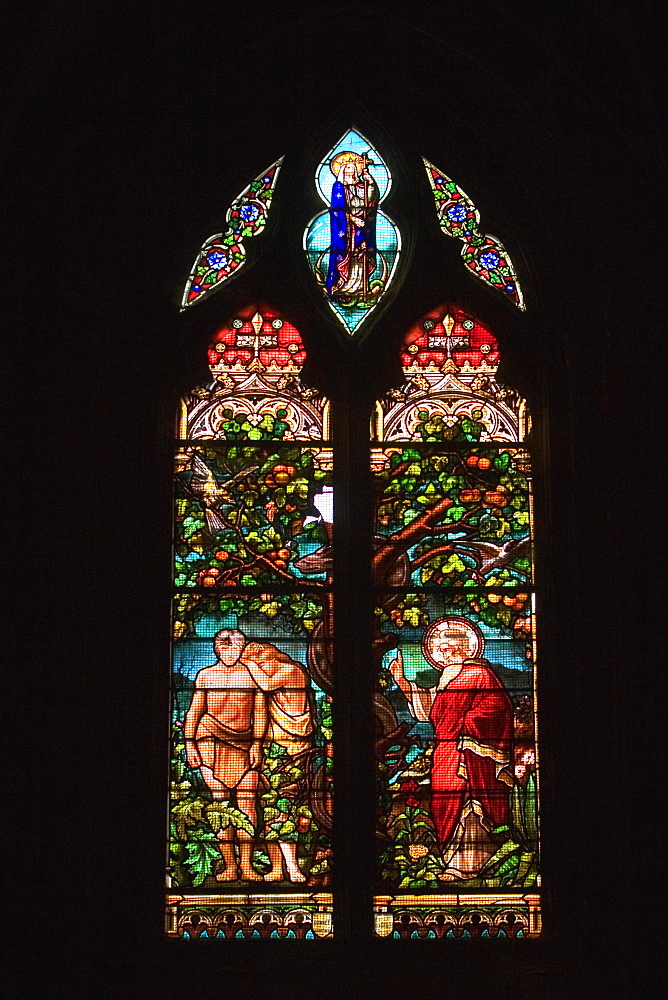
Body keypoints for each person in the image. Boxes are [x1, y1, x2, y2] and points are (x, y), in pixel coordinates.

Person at [388, 617, 514, 880]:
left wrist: (468, 726)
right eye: (440, 651)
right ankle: (451, 860)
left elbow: (498, 707)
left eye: (449, 650)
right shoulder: (448, 677)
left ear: (465, 649)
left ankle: (471, 864)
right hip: (445, 750)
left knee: (469, 800)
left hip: (470, 749)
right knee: (445, 799)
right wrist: (401, 680)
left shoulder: (478, 673)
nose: (443, 655)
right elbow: (428, 712)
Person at [184, 629, 267, 881]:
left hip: (243, 743)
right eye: (225, 647)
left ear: (242, 648)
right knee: (220, 804)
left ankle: (248, 865)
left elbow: (260, 712)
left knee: (247, 806)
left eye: (235, 647)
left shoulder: (253, 675)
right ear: (217, 649)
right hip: (210, 739)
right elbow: (194, 712)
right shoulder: (206, 676)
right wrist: (189, 744)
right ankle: (230, 865)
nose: (230, 652)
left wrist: (257, 745)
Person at [243, 639, 315, 882]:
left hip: (294, 752)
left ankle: (293, 867)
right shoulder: (271, 679)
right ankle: (278, 867)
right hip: (275, 753)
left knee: (286, 810)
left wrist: (247, 662)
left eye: (262, 661)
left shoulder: (291, 671)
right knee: (271, 809)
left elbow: (265, 683)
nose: (261, 667)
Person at [326, 151, 379, 303]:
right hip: (347, 229)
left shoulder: (361, 186)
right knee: (349, 255)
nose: (351, 171)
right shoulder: (338, 187)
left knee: (361, 254)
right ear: (342, 171)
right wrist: (352, 219)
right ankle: (344, 285)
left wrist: (371, 183)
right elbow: (337, 210)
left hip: (362, 227)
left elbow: (370, 200)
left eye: (353, 168)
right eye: (347, 169)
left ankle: (363, 286)